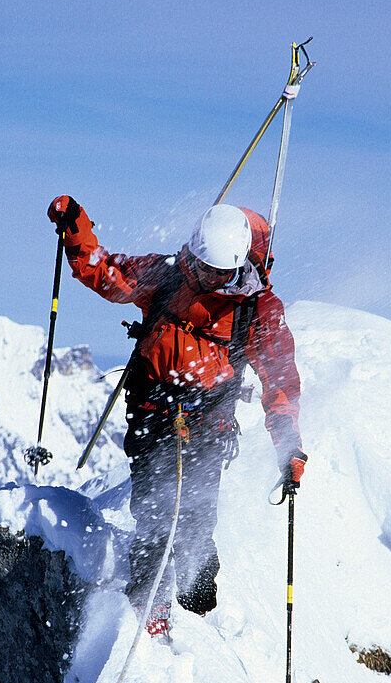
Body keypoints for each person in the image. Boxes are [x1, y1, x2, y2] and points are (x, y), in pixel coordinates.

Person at [47, 196, 306, 636]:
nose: (206, 279)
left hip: (210, 426)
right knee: (153, 513)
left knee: (197, 519)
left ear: (240, 265)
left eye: (219, 274)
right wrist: (75, 228)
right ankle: (149, 609)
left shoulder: (257, 309)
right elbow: (105, 272)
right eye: (203, 268)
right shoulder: (168, 275)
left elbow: (280, 382)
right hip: (152, 416)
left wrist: (290, 446)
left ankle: (198, 607)